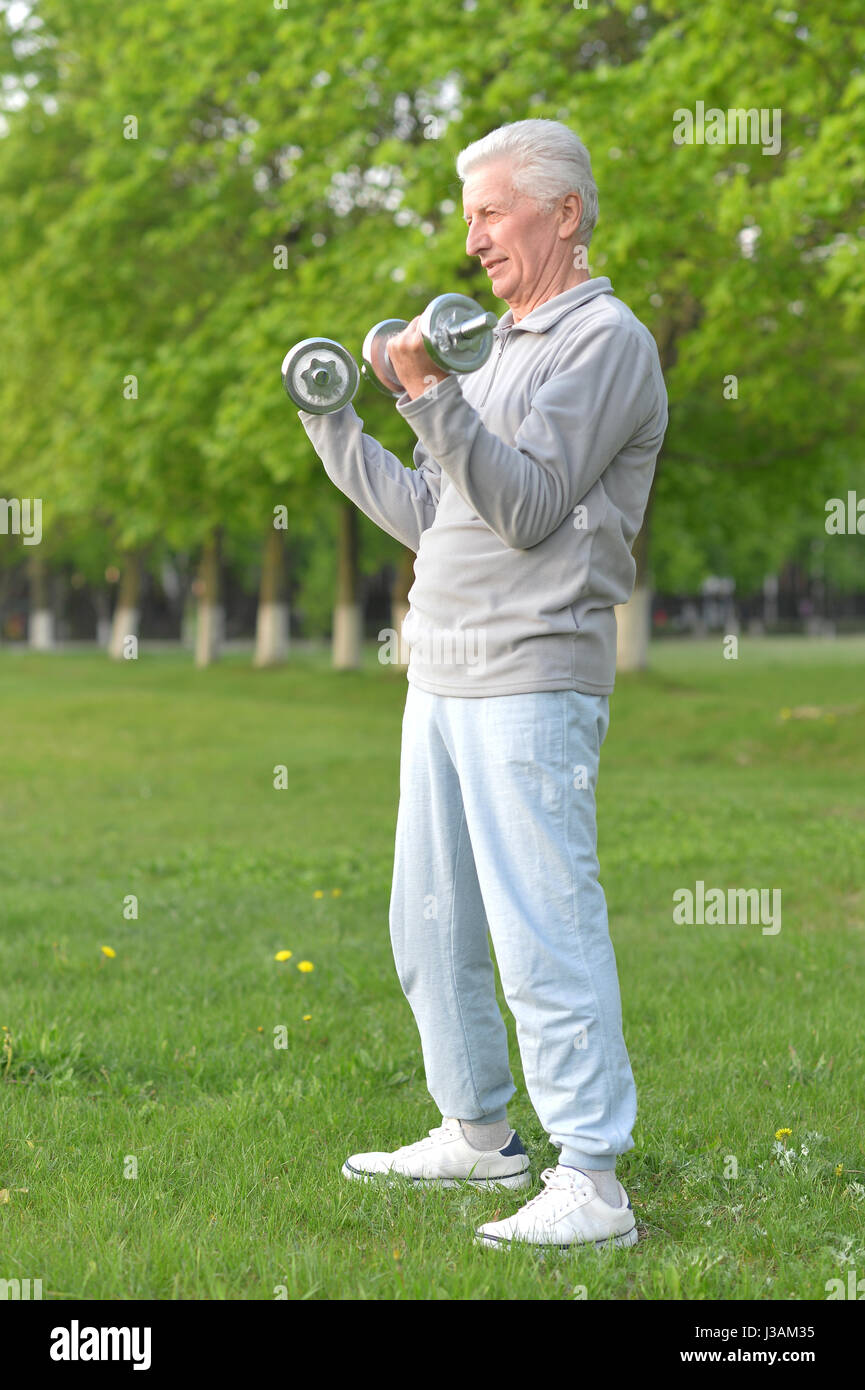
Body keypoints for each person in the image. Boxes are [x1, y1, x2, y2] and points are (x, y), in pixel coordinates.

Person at [296, 118, 668, 1251]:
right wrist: (333, 416)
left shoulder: (601, 341)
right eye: (468, 217)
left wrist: (424, 396)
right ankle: (478, 1131)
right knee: (433, 920)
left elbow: (527, 505)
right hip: (440, 668)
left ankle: (593, 1181)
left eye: (491, 212)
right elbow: (436, 512)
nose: (473, 240)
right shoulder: (491, 346)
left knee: (539, 927)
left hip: (529, 677)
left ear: (562, 212)